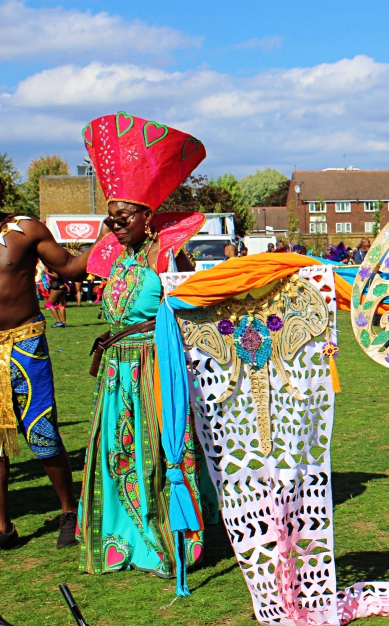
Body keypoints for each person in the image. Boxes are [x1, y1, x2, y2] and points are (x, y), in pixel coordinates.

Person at [78, 112, 208, 577]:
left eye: (123, 218)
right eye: (110, 220)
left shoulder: (168, 255)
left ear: (147, 216)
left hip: (153, 368)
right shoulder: (120, 256)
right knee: (117, 454)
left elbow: (191, 309)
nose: (114, 226)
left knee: (155, 455)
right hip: (116, 373)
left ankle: (165, 542)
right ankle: (125, 540)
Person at [0, 178, 102, 550]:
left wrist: (105, 233)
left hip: (25, 344)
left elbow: (73, 269)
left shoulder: (25, 230)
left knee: (40, 430)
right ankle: (4, 528)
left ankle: (69, 511)